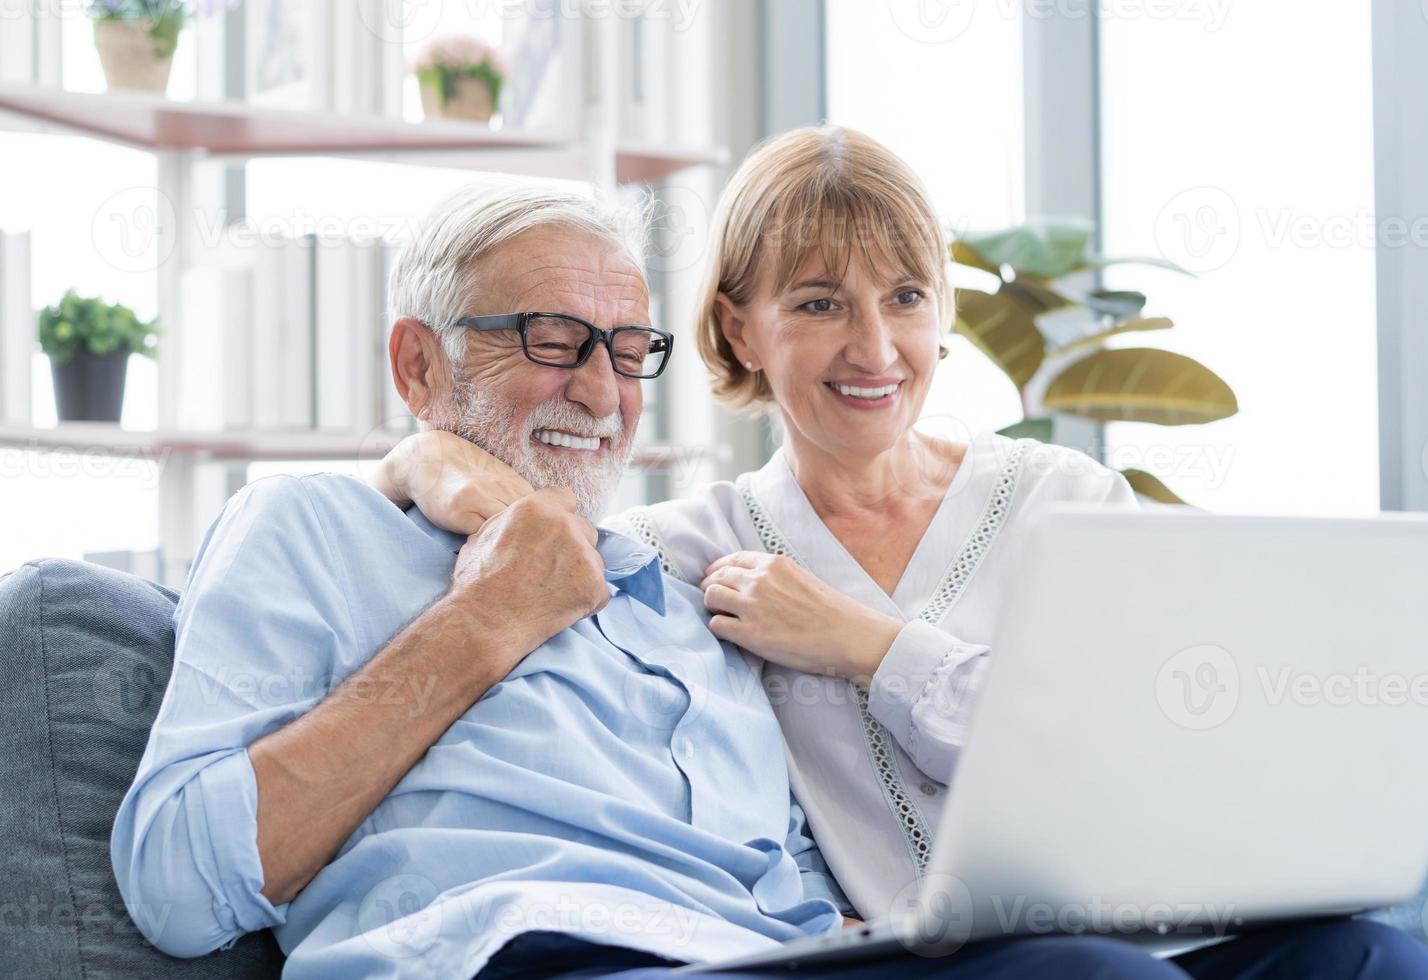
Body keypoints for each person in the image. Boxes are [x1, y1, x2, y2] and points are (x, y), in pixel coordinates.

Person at [366, 127, 1428, 978]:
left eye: (906, 297)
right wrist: (424, 456)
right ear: (740, 328)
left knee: (1376, 958)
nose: (875, 348)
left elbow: (1152, 752)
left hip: (1170, 935)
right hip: (932, 965)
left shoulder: (1070, 504)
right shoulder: (680, 553)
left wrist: (873, 648)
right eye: (820, 302)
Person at [109, 180, 1251, 980]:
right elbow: (175, 882)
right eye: (554, 339)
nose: (602, 392)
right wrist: (486, 617)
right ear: (418, 361)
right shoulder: (307, 529)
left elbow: (790, 858)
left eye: (628, 348)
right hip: (529, 951)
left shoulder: (677, 577)